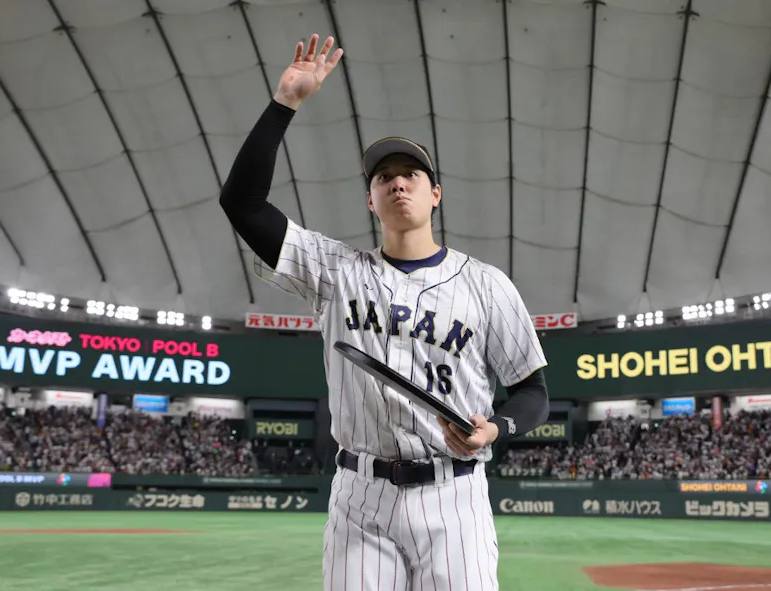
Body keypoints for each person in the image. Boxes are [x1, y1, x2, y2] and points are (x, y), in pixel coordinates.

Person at [220, 33, 550, 591]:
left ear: (435, 194)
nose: (397, 181)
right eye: (382, 177)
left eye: (411, 174)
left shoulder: (488, 285)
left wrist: (496, 428)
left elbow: (533, 392)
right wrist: (286, 103)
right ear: (370, 200)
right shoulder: (335, 271)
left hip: (455, 494)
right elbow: (242, 203)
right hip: (360, 496)